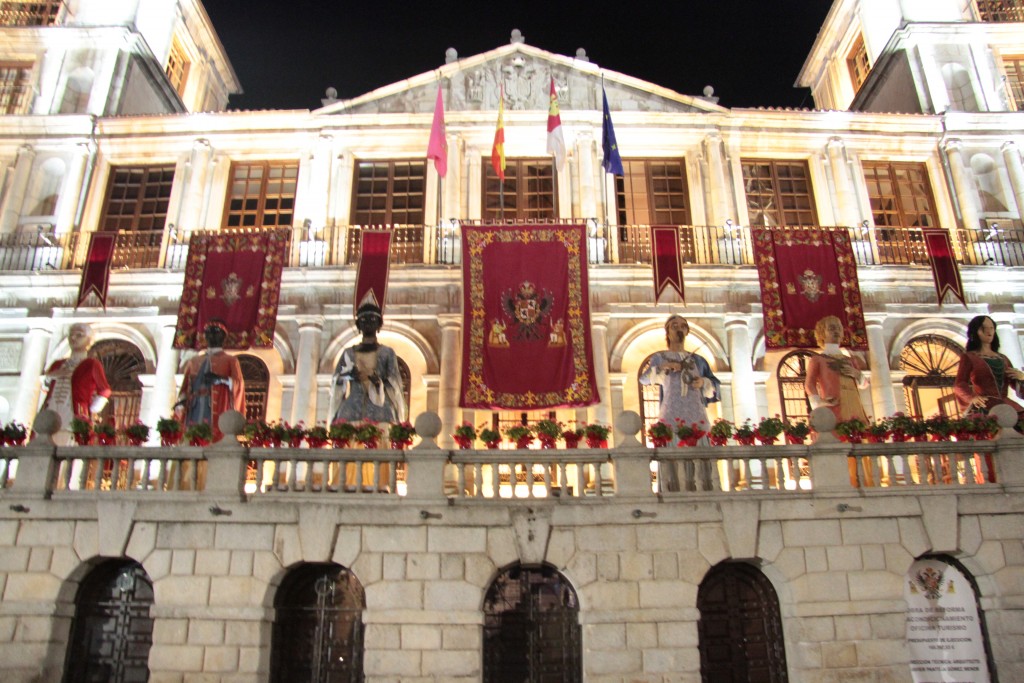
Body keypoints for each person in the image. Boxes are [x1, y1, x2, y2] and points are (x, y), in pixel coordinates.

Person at [639, 315, 721, 491]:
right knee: (673, 455)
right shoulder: (660, 357)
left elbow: (715, 385)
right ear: (668, 331)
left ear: (687, 332)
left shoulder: (698, 360)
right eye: (675, 326)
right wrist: (662, 367)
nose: (679, 329)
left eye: (683, 326)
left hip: (696, 413)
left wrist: (704, 383)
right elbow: (644, 379)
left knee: (699, 457)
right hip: (671, 412)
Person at [330, 301, 406, 490]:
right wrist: (348, 375)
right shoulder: (348, 352)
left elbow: (396, 381)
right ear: (358, 325)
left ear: (379, 324)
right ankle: (343, 485)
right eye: (363, 320)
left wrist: (378, 381)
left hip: (379, 407)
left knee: (379, 449)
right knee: (347, 446)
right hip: (352, 408)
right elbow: (336, 379)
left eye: (372, 319)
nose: (368, 323)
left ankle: (381, 486)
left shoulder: (387, 353)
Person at [804, 315, 874, 486]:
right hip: (833, 407)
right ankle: (837, 482)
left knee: (859, 441)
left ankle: (863, 480)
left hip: (853, 406)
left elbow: (864, 384)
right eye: (831, 328)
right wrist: (819, 403)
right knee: (835, 442)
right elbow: (809, 384)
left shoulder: (850, 360)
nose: (836, 331)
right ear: (822, 333)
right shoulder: (818, 359)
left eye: (838, 327)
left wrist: (857, 374)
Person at [39, 323, 111, 448]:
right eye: (71, 335)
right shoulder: (57, 364)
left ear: (89, 341)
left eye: (79, 335)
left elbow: (105, 390)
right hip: (51, 408)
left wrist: (91, 409)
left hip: (74, 411)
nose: (73, 338)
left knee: (69, 442)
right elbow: (45, 386)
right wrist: (51, 376)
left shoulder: (91, 364)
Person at [175, 320, 245, 443]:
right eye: (208, 333)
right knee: (192, 435)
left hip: (217, 404)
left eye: (216, 333)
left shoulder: (230, 360)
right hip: (195, 405)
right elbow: (185, 387)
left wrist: (221, 379)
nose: (211, 336)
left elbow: (238, 384)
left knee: (214, 434)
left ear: (223, 337)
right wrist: (181, 401)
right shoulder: (194, 361)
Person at [954, 315, 1024, 419]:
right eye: (984, 328)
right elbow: (959, 384)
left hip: (1008, 405)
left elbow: (1017, 387)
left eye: (991, 328)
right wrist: (972, 398)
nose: (989, 331)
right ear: (975, 331)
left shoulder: (1003, 358)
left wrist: (1021, 378)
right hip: (985, 406)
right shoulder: (969, 357)